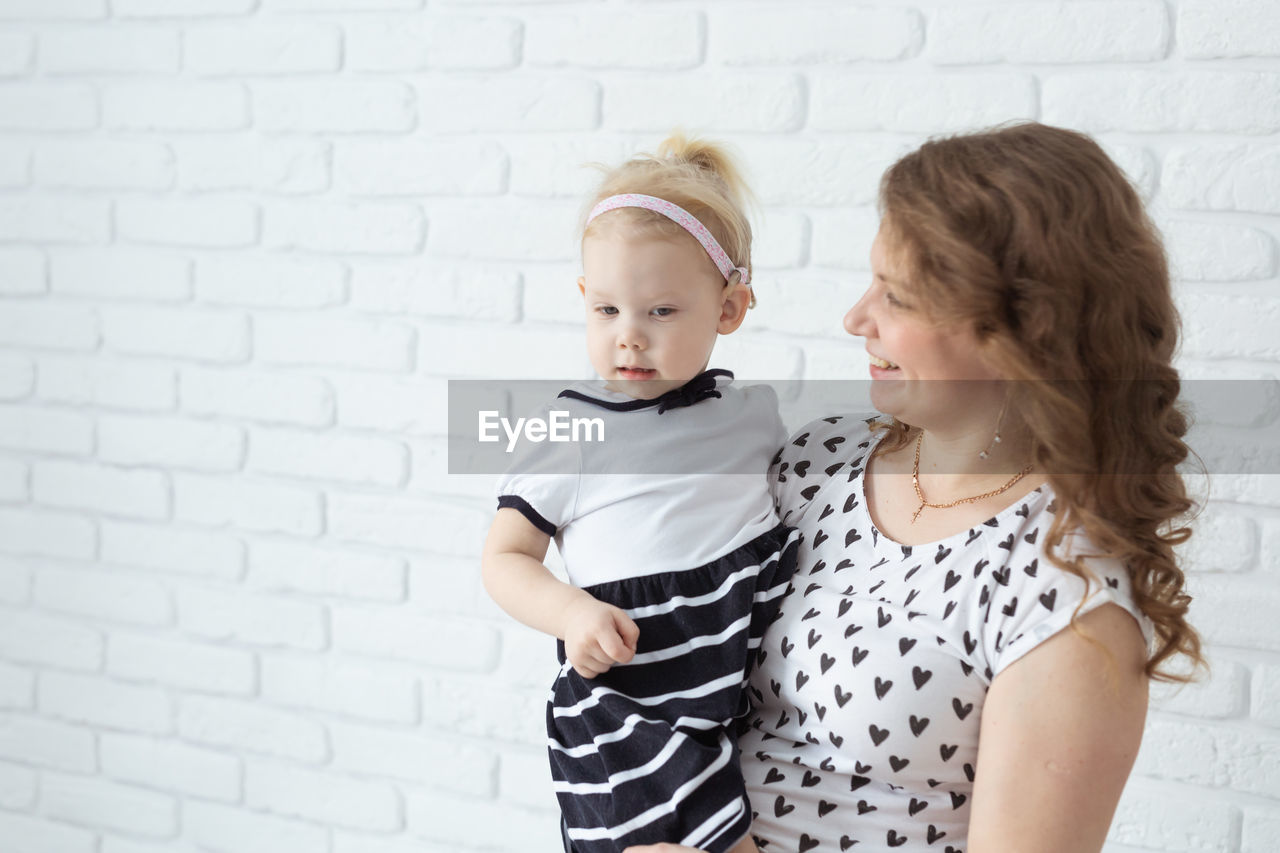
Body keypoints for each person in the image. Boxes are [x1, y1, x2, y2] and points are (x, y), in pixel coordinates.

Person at [624, 122, 1205, 853]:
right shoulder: (818, 462)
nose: (856, 318)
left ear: (1021, 328)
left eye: (895, 297)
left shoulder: (1063, 601)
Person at [481, 134, 799, 853]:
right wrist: (571, 611)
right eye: (607, 312)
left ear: (729, 309)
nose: (629, 338)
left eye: (660, 312)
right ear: (584, 300)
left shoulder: (752, 417)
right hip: (627, 699)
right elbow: (504, 556)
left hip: (725, 702)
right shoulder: (568, 428)